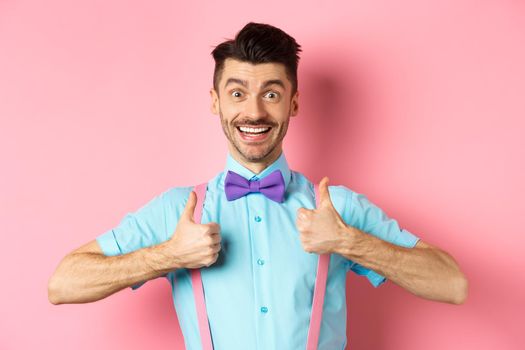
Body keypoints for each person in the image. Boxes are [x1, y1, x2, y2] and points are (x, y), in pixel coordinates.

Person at [48, 22, 468, 349]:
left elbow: (452, 284)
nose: (253, 111)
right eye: (237, 93)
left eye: (271, 94)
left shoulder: (335, 208)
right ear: (215, 102)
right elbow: (63, 283)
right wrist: (167, 255)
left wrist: (349, 242)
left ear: (294, 102)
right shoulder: (181, 211)